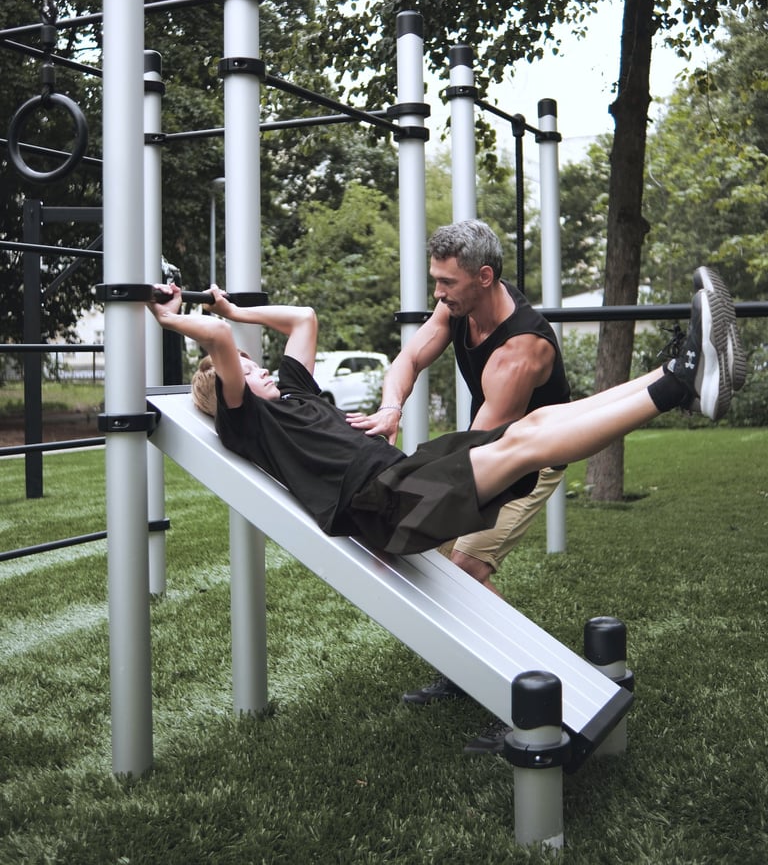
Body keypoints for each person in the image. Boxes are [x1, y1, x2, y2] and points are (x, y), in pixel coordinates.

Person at [146, 268, 743, 565]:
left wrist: (236, 310)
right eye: (253, 373)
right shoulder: (246, 420)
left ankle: (682, 376)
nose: (264, 371)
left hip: (400, 477)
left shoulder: (297, 393)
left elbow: (303, 319)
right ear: (234, 390)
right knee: (524, 446)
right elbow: (221, 346)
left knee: (535, 427)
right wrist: (177, 319)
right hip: (379, 506)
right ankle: (681, 382)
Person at [345, 219, 571, 750]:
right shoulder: (457, 308)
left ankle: (537, 692)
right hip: (488, 449)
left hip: (528, 462)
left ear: (485, 276)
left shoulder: (523, 350)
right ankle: (469, 672)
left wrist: (412, 502)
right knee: (440, 564)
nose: (438, 294)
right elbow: (410, 357)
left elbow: (481, 454)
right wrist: (391, 407)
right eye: (436, 280)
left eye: (447, 283)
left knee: (463, 571)